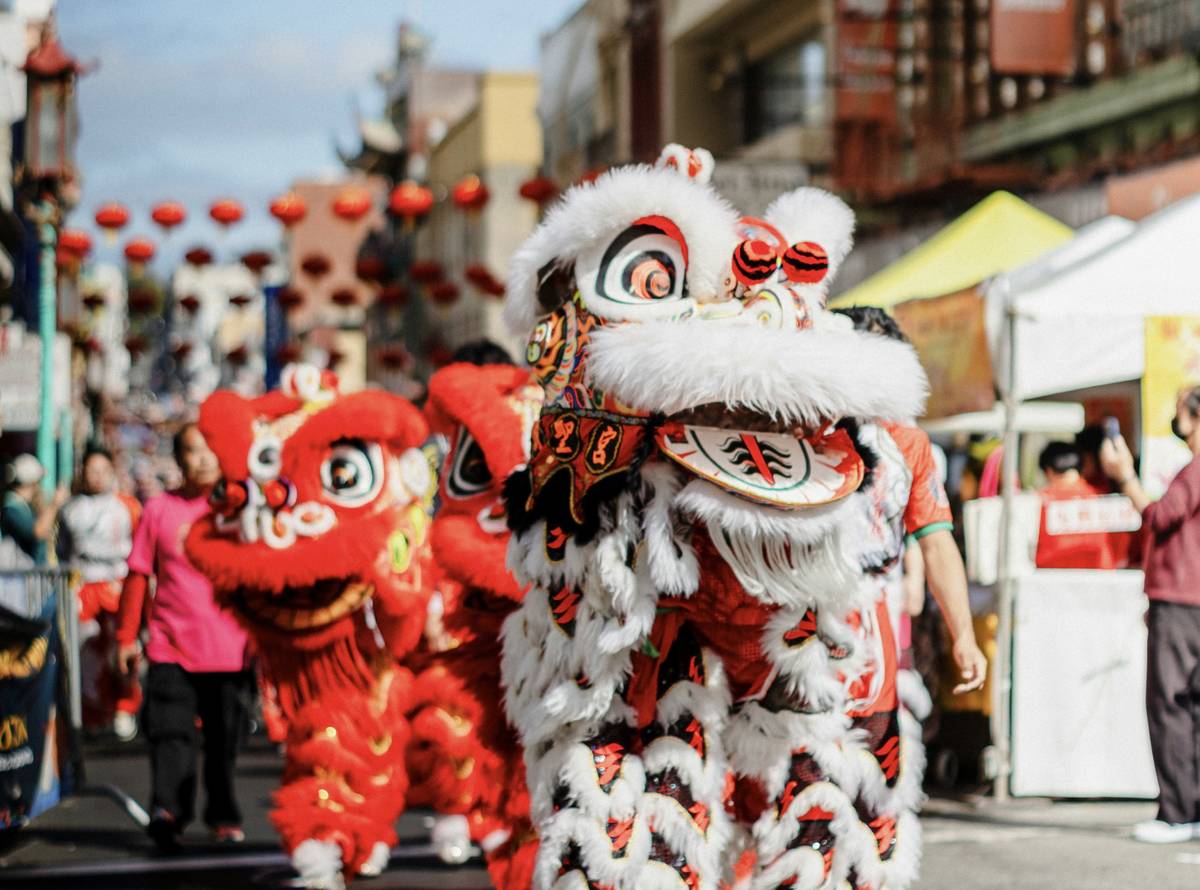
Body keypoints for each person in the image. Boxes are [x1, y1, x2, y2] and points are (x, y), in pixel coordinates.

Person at [115, 424, 251, 851]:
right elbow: (139, 574)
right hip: (170, 644)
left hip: (231, 648)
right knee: (170, 731)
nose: (204, 459)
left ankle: (223, 813)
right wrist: (125, 637)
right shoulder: (158, 509)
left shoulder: (243, 508)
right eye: (193, 451)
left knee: (223, 740)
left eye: (211, 450)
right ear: (179, 460)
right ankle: (168, 811)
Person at [1100, 384, 1200, 844]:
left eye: (1180, 411)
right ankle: (1186, 809)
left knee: (1170, 705)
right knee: (1188, 707)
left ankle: (1178, 812)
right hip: (1182, 599)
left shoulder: (1193, 471)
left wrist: (1126, 478)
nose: (1176, 420)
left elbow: (1161, 517)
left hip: (1181, 602)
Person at [58, 446, 142, 739]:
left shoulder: (127, 506)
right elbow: (63, 550)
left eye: (102, 470)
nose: (97, 476)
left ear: (111, 472)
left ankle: (124, 708)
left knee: (122, 647)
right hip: (83, 586)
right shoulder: (70, 509)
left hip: (117, 584)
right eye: (91, 470)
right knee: (86, 652)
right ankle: (92, 715)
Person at [1034, 441, 1118, 570]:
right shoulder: (1102, 499)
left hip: (1050, 577)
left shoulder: (1039, 501)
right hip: (1100, 577)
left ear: (1048, 471)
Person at [2, 454, 67, 564]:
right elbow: (39, 532)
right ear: (31, 483)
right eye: (37, 482)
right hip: (21, 573)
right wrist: (54, 504)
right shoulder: (12, 509)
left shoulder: (26, 506)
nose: (39, 487)